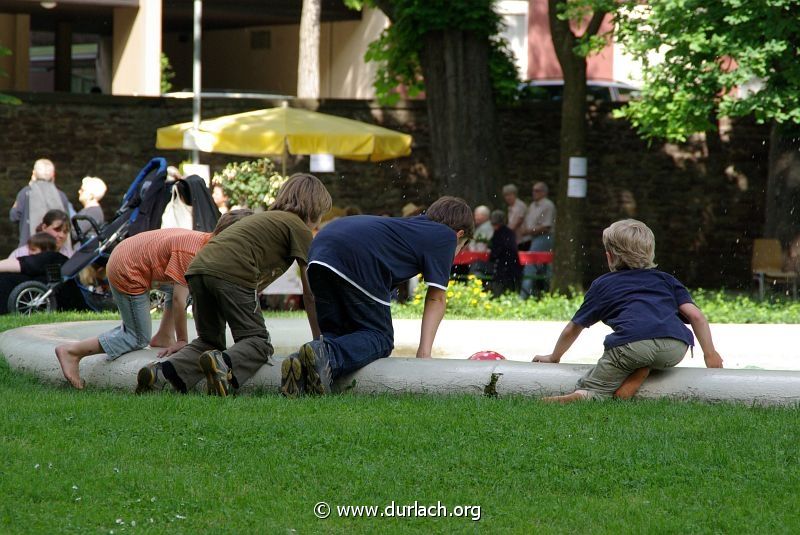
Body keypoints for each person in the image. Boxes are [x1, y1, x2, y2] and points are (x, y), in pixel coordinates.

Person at [136, 173, 332, 396]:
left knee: (208, 341)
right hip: (232, 272)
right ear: (315, 209)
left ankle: (161, 374)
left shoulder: (264, 219)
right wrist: (319, 341)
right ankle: (224, 366)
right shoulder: (299, 228)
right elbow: (310, 294)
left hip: (198, 268)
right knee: (258, 343)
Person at [280, 196, 474, 397]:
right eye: (462, 246)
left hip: (321, 250)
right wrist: (424, 354)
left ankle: (299, 366)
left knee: (340, 337)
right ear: (459, 234)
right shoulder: (446, 236)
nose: (457, 254)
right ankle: (328, 355)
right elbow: (436, 298)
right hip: (355, 257)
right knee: (380, 338)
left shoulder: (412, 227)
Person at [54, 210, 254, 390]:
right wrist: (183, 341)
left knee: (187, 285)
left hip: (130, 256)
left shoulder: (205, 242)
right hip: (127, 268)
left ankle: (164, 335)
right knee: (136, 337)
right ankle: (72, 352)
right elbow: (178, 300)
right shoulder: (193, 253)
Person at [533, 219, 724, 403]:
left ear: (609, 257)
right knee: (645, 356)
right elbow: (696, 316)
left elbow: (573, 328)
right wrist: (710, 354)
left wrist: (554, 356)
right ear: (651, 253)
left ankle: (583, 394)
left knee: (594, 389)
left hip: (633, 347)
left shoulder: (603, 284)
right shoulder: (666, 280)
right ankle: (640, 373)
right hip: (675, 348)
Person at [9, 158, 75, 248]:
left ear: (34, 173)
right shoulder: (61, 195)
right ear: (53, 175)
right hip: (56, 248)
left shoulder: (25, 192)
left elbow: (14, 216)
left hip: (30, 247)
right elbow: (67, 221)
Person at [0, 232, 67, 314]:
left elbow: (25, 264)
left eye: (33, 250)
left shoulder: (51, 257)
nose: (30, 253)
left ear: (46, 251)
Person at [520, 182, 556, 299]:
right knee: (541, 268)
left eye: (537, 190)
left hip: (544, 238)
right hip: (533, 238)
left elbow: (547, 226)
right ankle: (538, 294)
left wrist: (530, 231)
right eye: (533, 190)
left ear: (544, 192)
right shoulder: (532, 205)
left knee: (530, 263)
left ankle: (524, 296)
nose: (534, 193)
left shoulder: (548, 205)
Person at [8, 209, 73, 259]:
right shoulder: (21, 254)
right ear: (44, 227)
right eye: (57, 230)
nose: (62, 235)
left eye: (65, 232)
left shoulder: (70, 256)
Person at [487, 210, 521, 296]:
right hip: (513, 267)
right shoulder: (509, 232)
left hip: (503, 268)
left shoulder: (499, 233)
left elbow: (496, 251)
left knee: (499, 289)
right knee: (511, 290)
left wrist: (491, 256)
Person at [74, 176, 107, 241]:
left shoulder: (93, 212)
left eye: (82, 190)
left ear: (91, 195)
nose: (79, 191)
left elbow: (75, 233)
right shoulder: (91, 210)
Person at [502, 184, 528, 250]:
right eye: (506, 195)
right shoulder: (511, 207)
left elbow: (518, 221)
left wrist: (504, 234)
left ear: (515, 194)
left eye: (510, 195)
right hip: (516, 239)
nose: (508, 197)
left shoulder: (520, 205)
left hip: (523, 239)